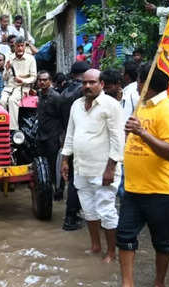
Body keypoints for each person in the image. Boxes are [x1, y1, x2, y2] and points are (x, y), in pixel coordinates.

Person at [117, 65, 169, 287]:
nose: (136, 85)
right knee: (124, 236)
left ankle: (159, 283)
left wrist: (141, 133)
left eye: (139, 81)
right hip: (133, 187)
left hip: (161, 190)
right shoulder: (141, 107)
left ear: (147, 84)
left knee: (162, 241)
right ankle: (128, 286)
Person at [61, 69, 124, 262]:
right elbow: (70, 134)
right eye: (84, 83)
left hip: (103, 169)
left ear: (102, 84)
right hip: (81, 168)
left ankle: (112, 252)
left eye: (92, 82)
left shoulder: (111, 105)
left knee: (106, 210)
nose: (87, 86)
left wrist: (111, 168)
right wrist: (65, 159)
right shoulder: (76, 105)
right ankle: (96, 246)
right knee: (88, 209)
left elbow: (118, 139)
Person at [58, 61, 89, 230]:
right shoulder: (82, 94)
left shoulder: (64, 92)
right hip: (82, 141)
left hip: (67, 139)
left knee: (72, 179)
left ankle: (72, 215)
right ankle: (71, 217)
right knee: (78, 180)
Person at [36, 71, 67, 198]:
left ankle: (59, 190)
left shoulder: (56, 97)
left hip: (54, 136)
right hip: (42, 135)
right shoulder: (39, 95)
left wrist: (63, 138)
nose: (42, 82)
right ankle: (48, 190)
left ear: (50, 81)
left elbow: (63, 117)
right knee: (44, 164)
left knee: (55, 165)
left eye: (45, 80)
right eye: (40, 80)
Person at [1, 41, 37, 131]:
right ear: (15, 46)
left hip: (23, 87)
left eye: (22, 46)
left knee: (12, 100)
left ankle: (13, 129)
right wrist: (6, 69)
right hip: (9, 87)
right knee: (2, 101)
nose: (20, 48)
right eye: (18, 46)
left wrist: (23, 80)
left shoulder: (31, 58)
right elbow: (4, 78)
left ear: (24, 47)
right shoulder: (10, 57)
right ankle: (3, 127)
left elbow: (34, 77)